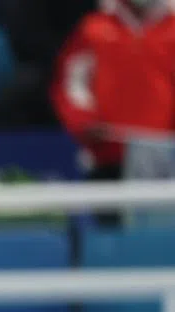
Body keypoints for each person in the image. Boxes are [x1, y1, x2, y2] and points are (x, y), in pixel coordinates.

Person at [50, 0, 175, 182]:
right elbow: (71, 83)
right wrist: (83, 120)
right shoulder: (93, 28)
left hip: (165, 158)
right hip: (107, 156)